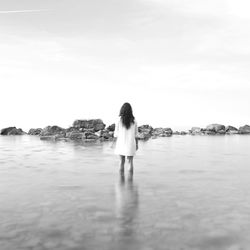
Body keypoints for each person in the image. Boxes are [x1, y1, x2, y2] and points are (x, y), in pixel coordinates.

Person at [114, 102, 139, 174]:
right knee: (130, 162)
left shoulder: (119, 120)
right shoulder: (134, 121)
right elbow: (136, 134)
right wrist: (137, 145)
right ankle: (130, 182)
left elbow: (116, 134)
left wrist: (114, 143)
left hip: (121, 143)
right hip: (130, 144)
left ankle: (121, 181)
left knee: (121, 162)